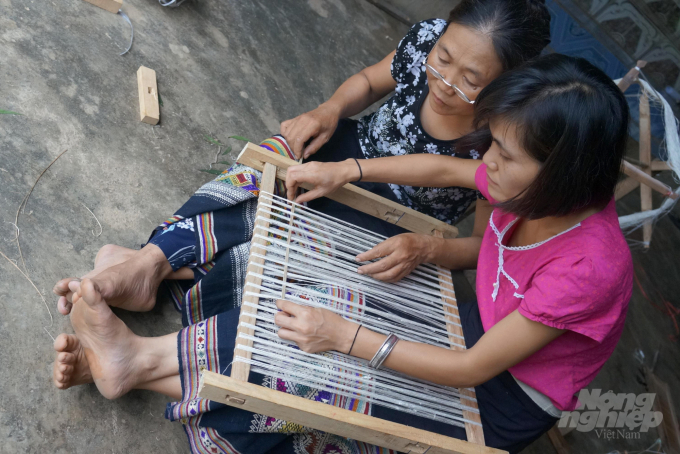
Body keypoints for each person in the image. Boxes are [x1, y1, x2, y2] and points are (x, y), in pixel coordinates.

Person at [52, 53, 632, 453]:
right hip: (480, 327)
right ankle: (141, 316)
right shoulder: (526, 184)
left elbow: (474, 368)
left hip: (501, 392)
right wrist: (350, 175)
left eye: (504, 154)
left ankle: (139, 362)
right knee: (312, 269)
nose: (489, 164)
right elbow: (449, 176)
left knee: (327, 340)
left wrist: (345, 336)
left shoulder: (588, 268)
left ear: (562, 173)